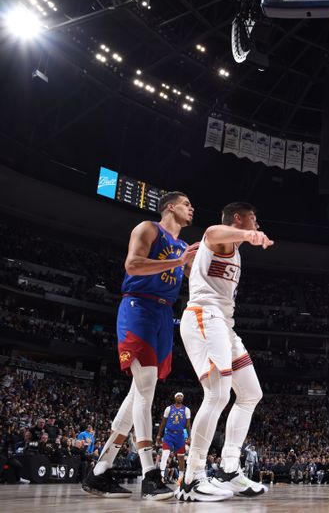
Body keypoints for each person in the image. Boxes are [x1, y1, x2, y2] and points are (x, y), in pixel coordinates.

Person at [82, 191, 196, 500]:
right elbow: (132, 265)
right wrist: (178, 260)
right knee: (145, 388)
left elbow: (199, 275)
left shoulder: (185, 247)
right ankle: (150, 476)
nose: (192, 209)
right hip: (138, 307)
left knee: (137, 395)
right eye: (186, 204)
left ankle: (98, 472)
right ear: (170, 207)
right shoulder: (148, 228)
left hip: (163, 315)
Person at [176, 202, 272, 502]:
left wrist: (186, 265)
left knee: (250, 393)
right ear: (239, 219)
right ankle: (192, 477)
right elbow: (211, 230)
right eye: (254, 220)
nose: (257, 225)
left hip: (223, 326)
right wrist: (251, 236)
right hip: (205, 317)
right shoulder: (219, 236)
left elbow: (202, 272)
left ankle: (229, 469)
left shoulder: (231, 250)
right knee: (218, 394)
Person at [155, 392, 191, 479]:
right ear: (175, 398)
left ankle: (181, 477)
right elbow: (163, 423)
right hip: (169, 435)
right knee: (165, 454)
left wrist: (189, 437)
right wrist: (159, 436)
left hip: (180, 436)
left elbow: (187, 425)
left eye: (182, 396)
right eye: (178, 396)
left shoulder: (186, 409)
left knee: (181, 457)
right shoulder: (169, 408)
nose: (180, 397)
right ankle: (162, 475)